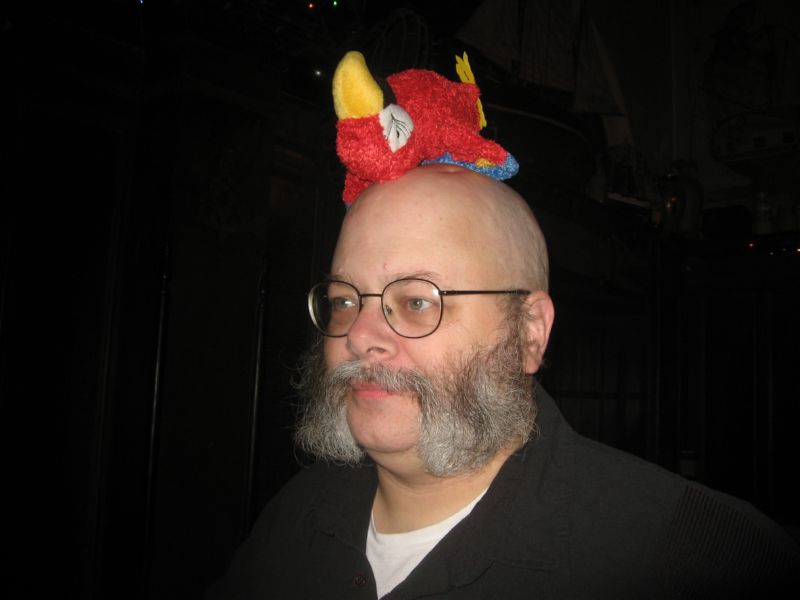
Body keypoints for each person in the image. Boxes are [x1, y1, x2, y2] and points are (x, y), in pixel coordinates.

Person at [207, 164, 800, 599]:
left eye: (417, 301)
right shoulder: (296, 513)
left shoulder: (697, 560)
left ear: (529, 333)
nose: (360, 336)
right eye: (344, 300)